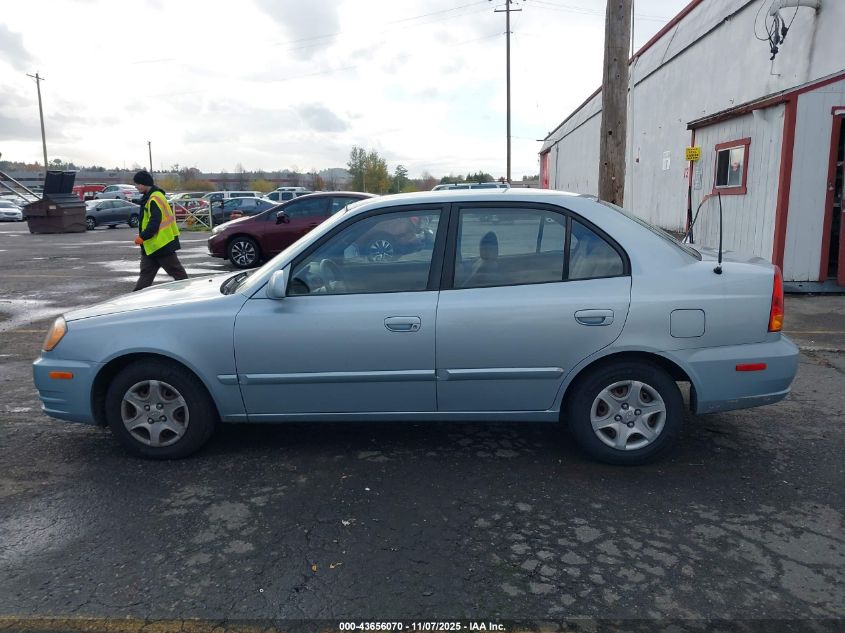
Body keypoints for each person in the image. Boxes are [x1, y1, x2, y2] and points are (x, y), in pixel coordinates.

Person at [131, 170, 188, 291]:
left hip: (162, 244)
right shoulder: (151, 197)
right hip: (153, 245)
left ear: (144, 183)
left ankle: (189, 295)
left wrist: (143, 237)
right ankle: (135, 302)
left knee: (177, 273)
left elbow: (154, 222)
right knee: (146, 274)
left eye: (137, 184)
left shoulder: (154, 198)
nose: (136, 186)